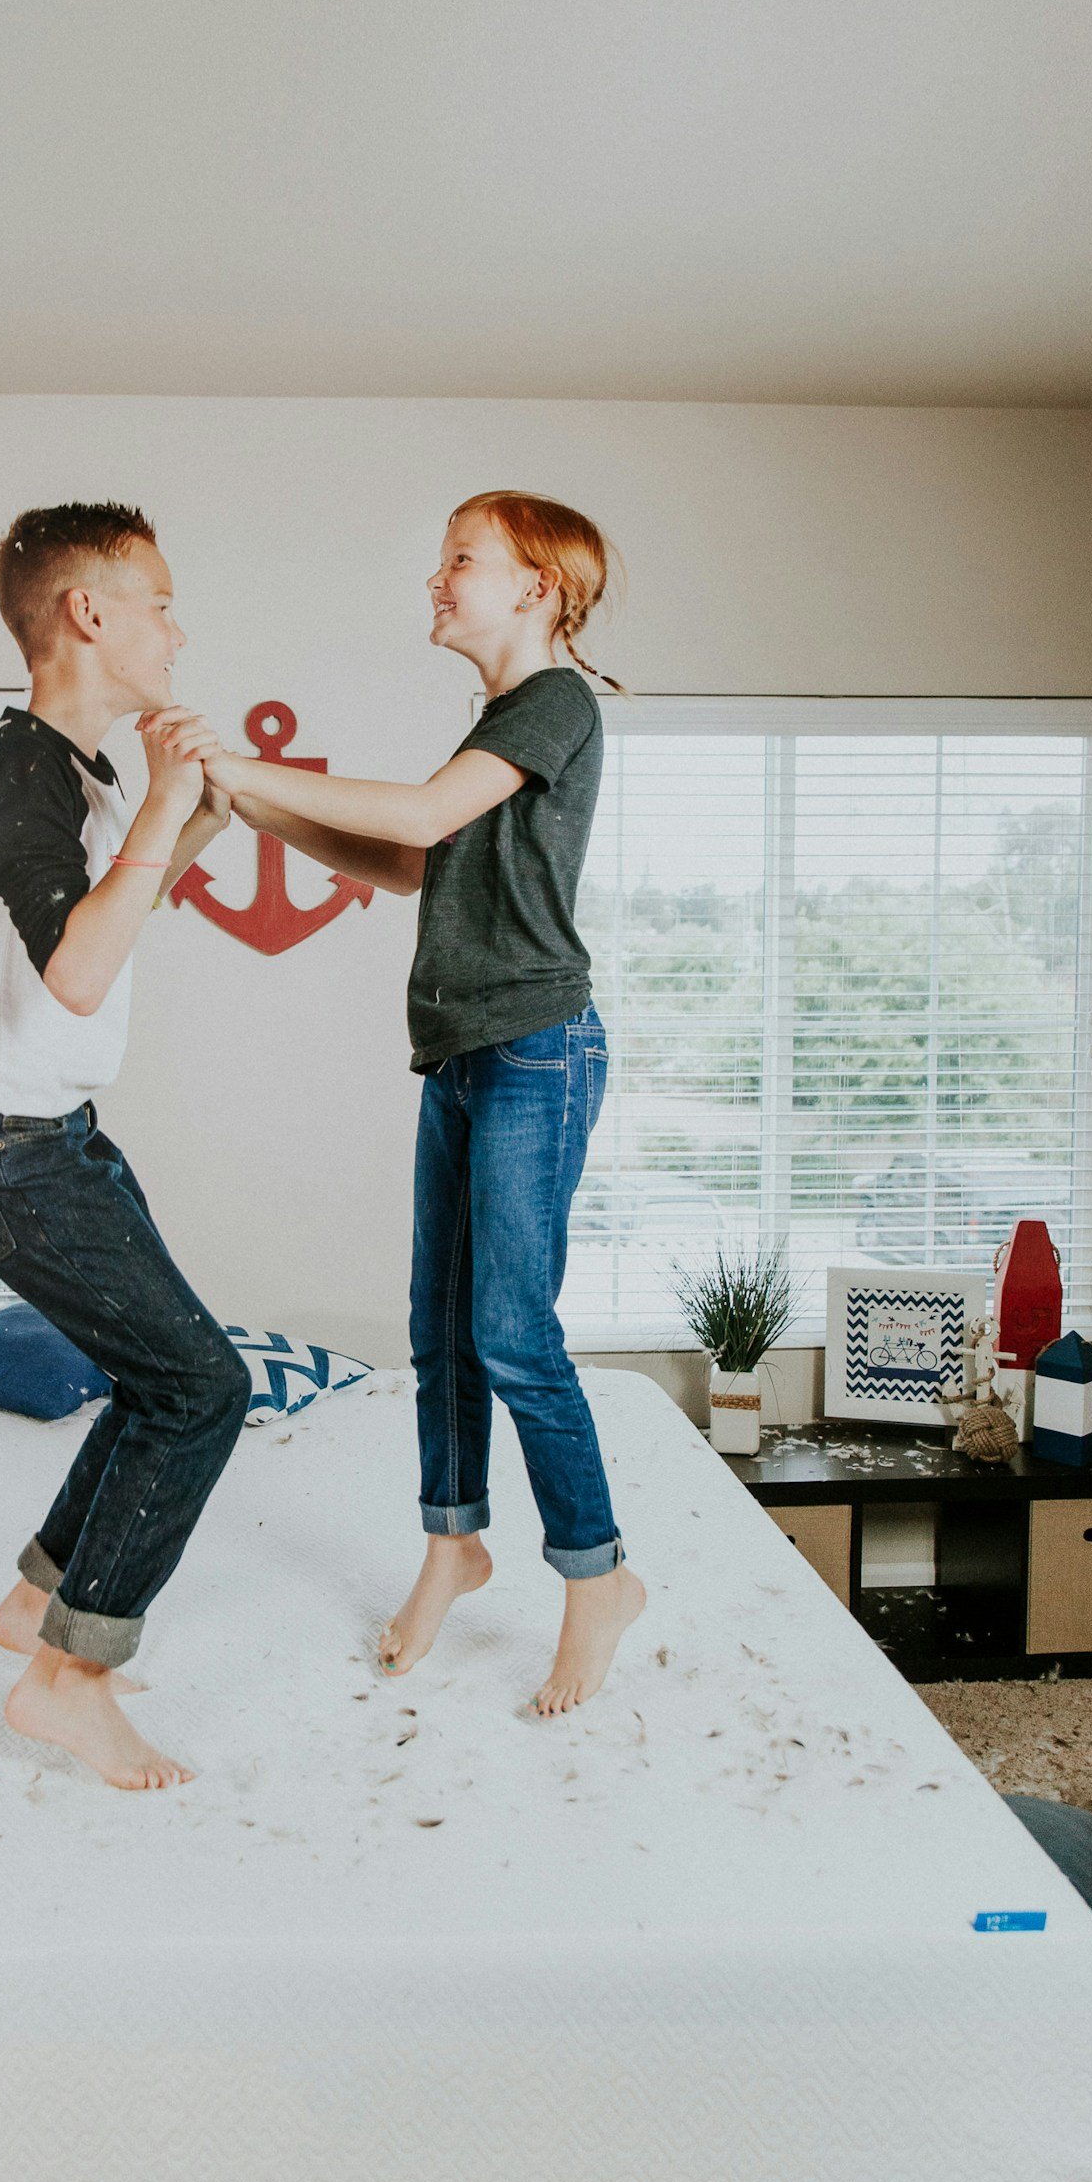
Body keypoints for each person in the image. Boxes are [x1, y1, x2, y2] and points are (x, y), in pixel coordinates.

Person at [198, 492, 644, 1716]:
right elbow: (404, 861)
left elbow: (419, 814)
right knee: (438, 1328)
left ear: (536, 588)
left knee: (510, 1331)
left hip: (535, 1051)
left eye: (460, 561)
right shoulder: (496, 722)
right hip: (459, 1055)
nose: (436, 580)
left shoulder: (554, 702)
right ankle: (453, 1540)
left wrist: (241, 764)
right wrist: (255, 806)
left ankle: (597, 1573)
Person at [0, 501, 250, 1791]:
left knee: (159, 1374)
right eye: (157, 598)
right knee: (201, 1389)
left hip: (50, 1133)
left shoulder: (84, 774)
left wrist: (193, 812)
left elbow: (120, 906)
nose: (178, 623)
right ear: (89, 614)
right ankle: (67, 1679)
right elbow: (74, 973)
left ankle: (34, 1607)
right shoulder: (18, 770)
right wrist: (169, 802)